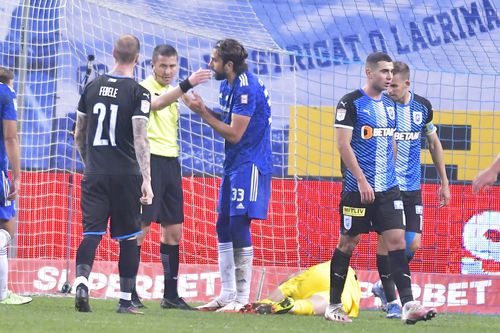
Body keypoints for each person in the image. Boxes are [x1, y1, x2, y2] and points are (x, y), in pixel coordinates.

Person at [328, 52, 436, 324]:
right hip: (358, 188)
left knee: (398, 241)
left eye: (391, 72)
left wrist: (394, 175)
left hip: (389, 189)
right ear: (369, 73)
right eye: (384, 72)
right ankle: (333, 305)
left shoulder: (390, 105)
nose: (389, 76)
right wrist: (363, 180)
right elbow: (343, 145)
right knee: (348, 242)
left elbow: (392, 143)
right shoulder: (350, 102)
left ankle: (408, 304)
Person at [182, 39, 272, 312]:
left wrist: (201, 113)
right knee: (222, 225)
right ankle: (227, 293)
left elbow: (234, 133)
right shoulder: (227, 84)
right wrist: (204, 110)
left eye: (214, 60)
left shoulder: (246, 88)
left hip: (251, 163)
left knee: (238, 225)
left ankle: (242, 298)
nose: (210, 64)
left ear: (229, 65)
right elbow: (226, 120)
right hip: (233, 163)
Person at [73, 35, 153, 314]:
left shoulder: (92, 86)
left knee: (91, 233)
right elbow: (140, 138)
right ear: (138, 58)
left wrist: (90, 163)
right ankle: (124, 301)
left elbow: (79, 134)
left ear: (113, 53)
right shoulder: (138, 92)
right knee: (129, 237)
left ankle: (82, 283)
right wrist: (147, 180)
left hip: (95, 172)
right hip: (125, 174)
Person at [131, 44, 211, 310]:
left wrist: (198, 106)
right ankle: (128, 291)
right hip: (148, 163)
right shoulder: (144, 88)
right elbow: (156, 104)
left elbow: (176, 99)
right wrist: (186, 85)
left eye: (172, 66)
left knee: (174, 232)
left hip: (171, 164)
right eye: (163, 66)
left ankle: (171, 295)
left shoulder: (176, 92)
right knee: (140, 230)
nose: (167, 71)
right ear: (152, 65)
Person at [371, 61, 451, 318]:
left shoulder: (422, 107)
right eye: (388, 84)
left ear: (406, 84)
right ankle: (393, 302)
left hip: (412, 186)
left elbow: (433, 143)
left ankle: (385, 287)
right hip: (387, 186)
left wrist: (444, 182)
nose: (389, 89)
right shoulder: (382, 107)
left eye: (394, 85)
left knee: (412, 243)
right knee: (387, 243)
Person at [0, 67, 32, 305]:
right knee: (5, 230)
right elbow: (11, 137)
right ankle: (2, 293)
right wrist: (17, 176)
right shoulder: (6, 93)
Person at [248, 261, 360, 317]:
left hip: (316, 273)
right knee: (331, 302)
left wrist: (266, 300)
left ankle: (260, 304)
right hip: (342, 275)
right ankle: (293, 306)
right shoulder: (353, 287)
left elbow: (293, 277)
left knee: (286, 289)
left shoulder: (295, 282)